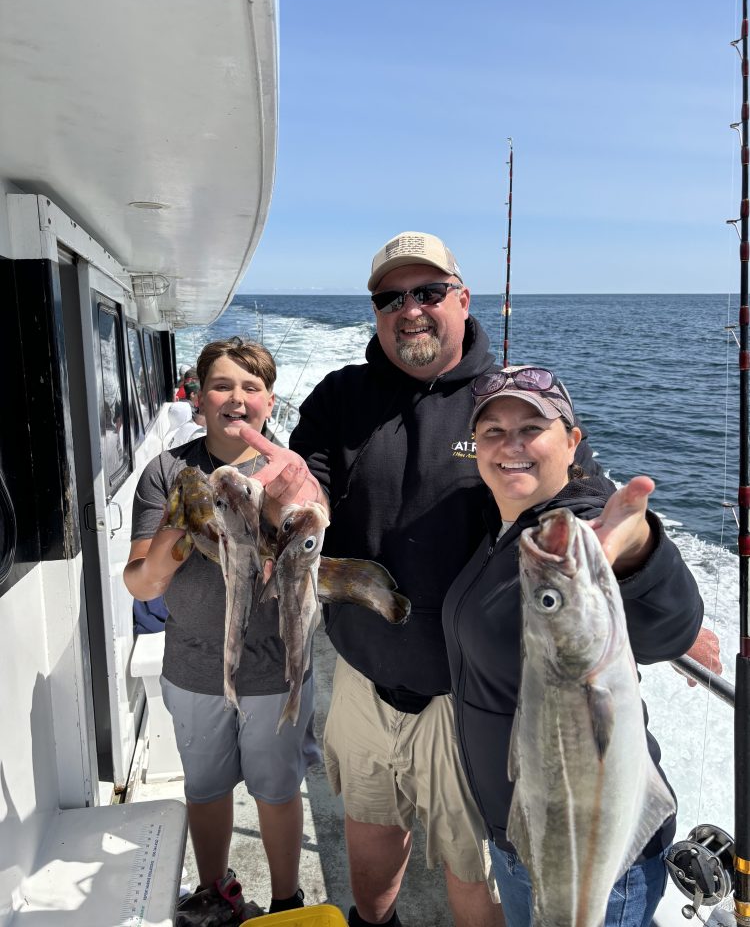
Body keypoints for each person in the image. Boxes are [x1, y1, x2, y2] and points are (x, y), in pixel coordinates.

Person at [288, 230, 720, 927]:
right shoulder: (342, 395)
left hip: (461, 704)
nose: (411, 309)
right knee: (371, 832)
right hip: (363, 680)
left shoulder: (498, 408)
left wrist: (639, 560)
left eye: (429, 292)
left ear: (462, 299)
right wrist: (291, 498)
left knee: (474, 869)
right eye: (390, 298)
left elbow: (581, 508)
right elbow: (311, 480)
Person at [442, 365, 704, 926]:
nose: (510, 445)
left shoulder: (584, 530)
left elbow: (669, 627)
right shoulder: (504, 532)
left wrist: (639, 550)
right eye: (492, 432)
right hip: (524, 836)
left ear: (572, 441)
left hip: (602, 858)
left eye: (531, 428)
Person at [124, 336, 322, 926]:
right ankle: (216, 893)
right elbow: (143, 584)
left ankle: (287, 901)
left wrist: (283, 509)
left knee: (276, 788)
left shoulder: (291, 472)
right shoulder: (167, 472)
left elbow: (304, 560)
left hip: (274, 667)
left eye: (252, 387)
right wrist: (181, 527)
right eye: (222, 385)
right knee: (206, 788)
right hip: (194, 665)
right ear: (197, 397)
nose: (237, 398)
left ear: (270, 402)